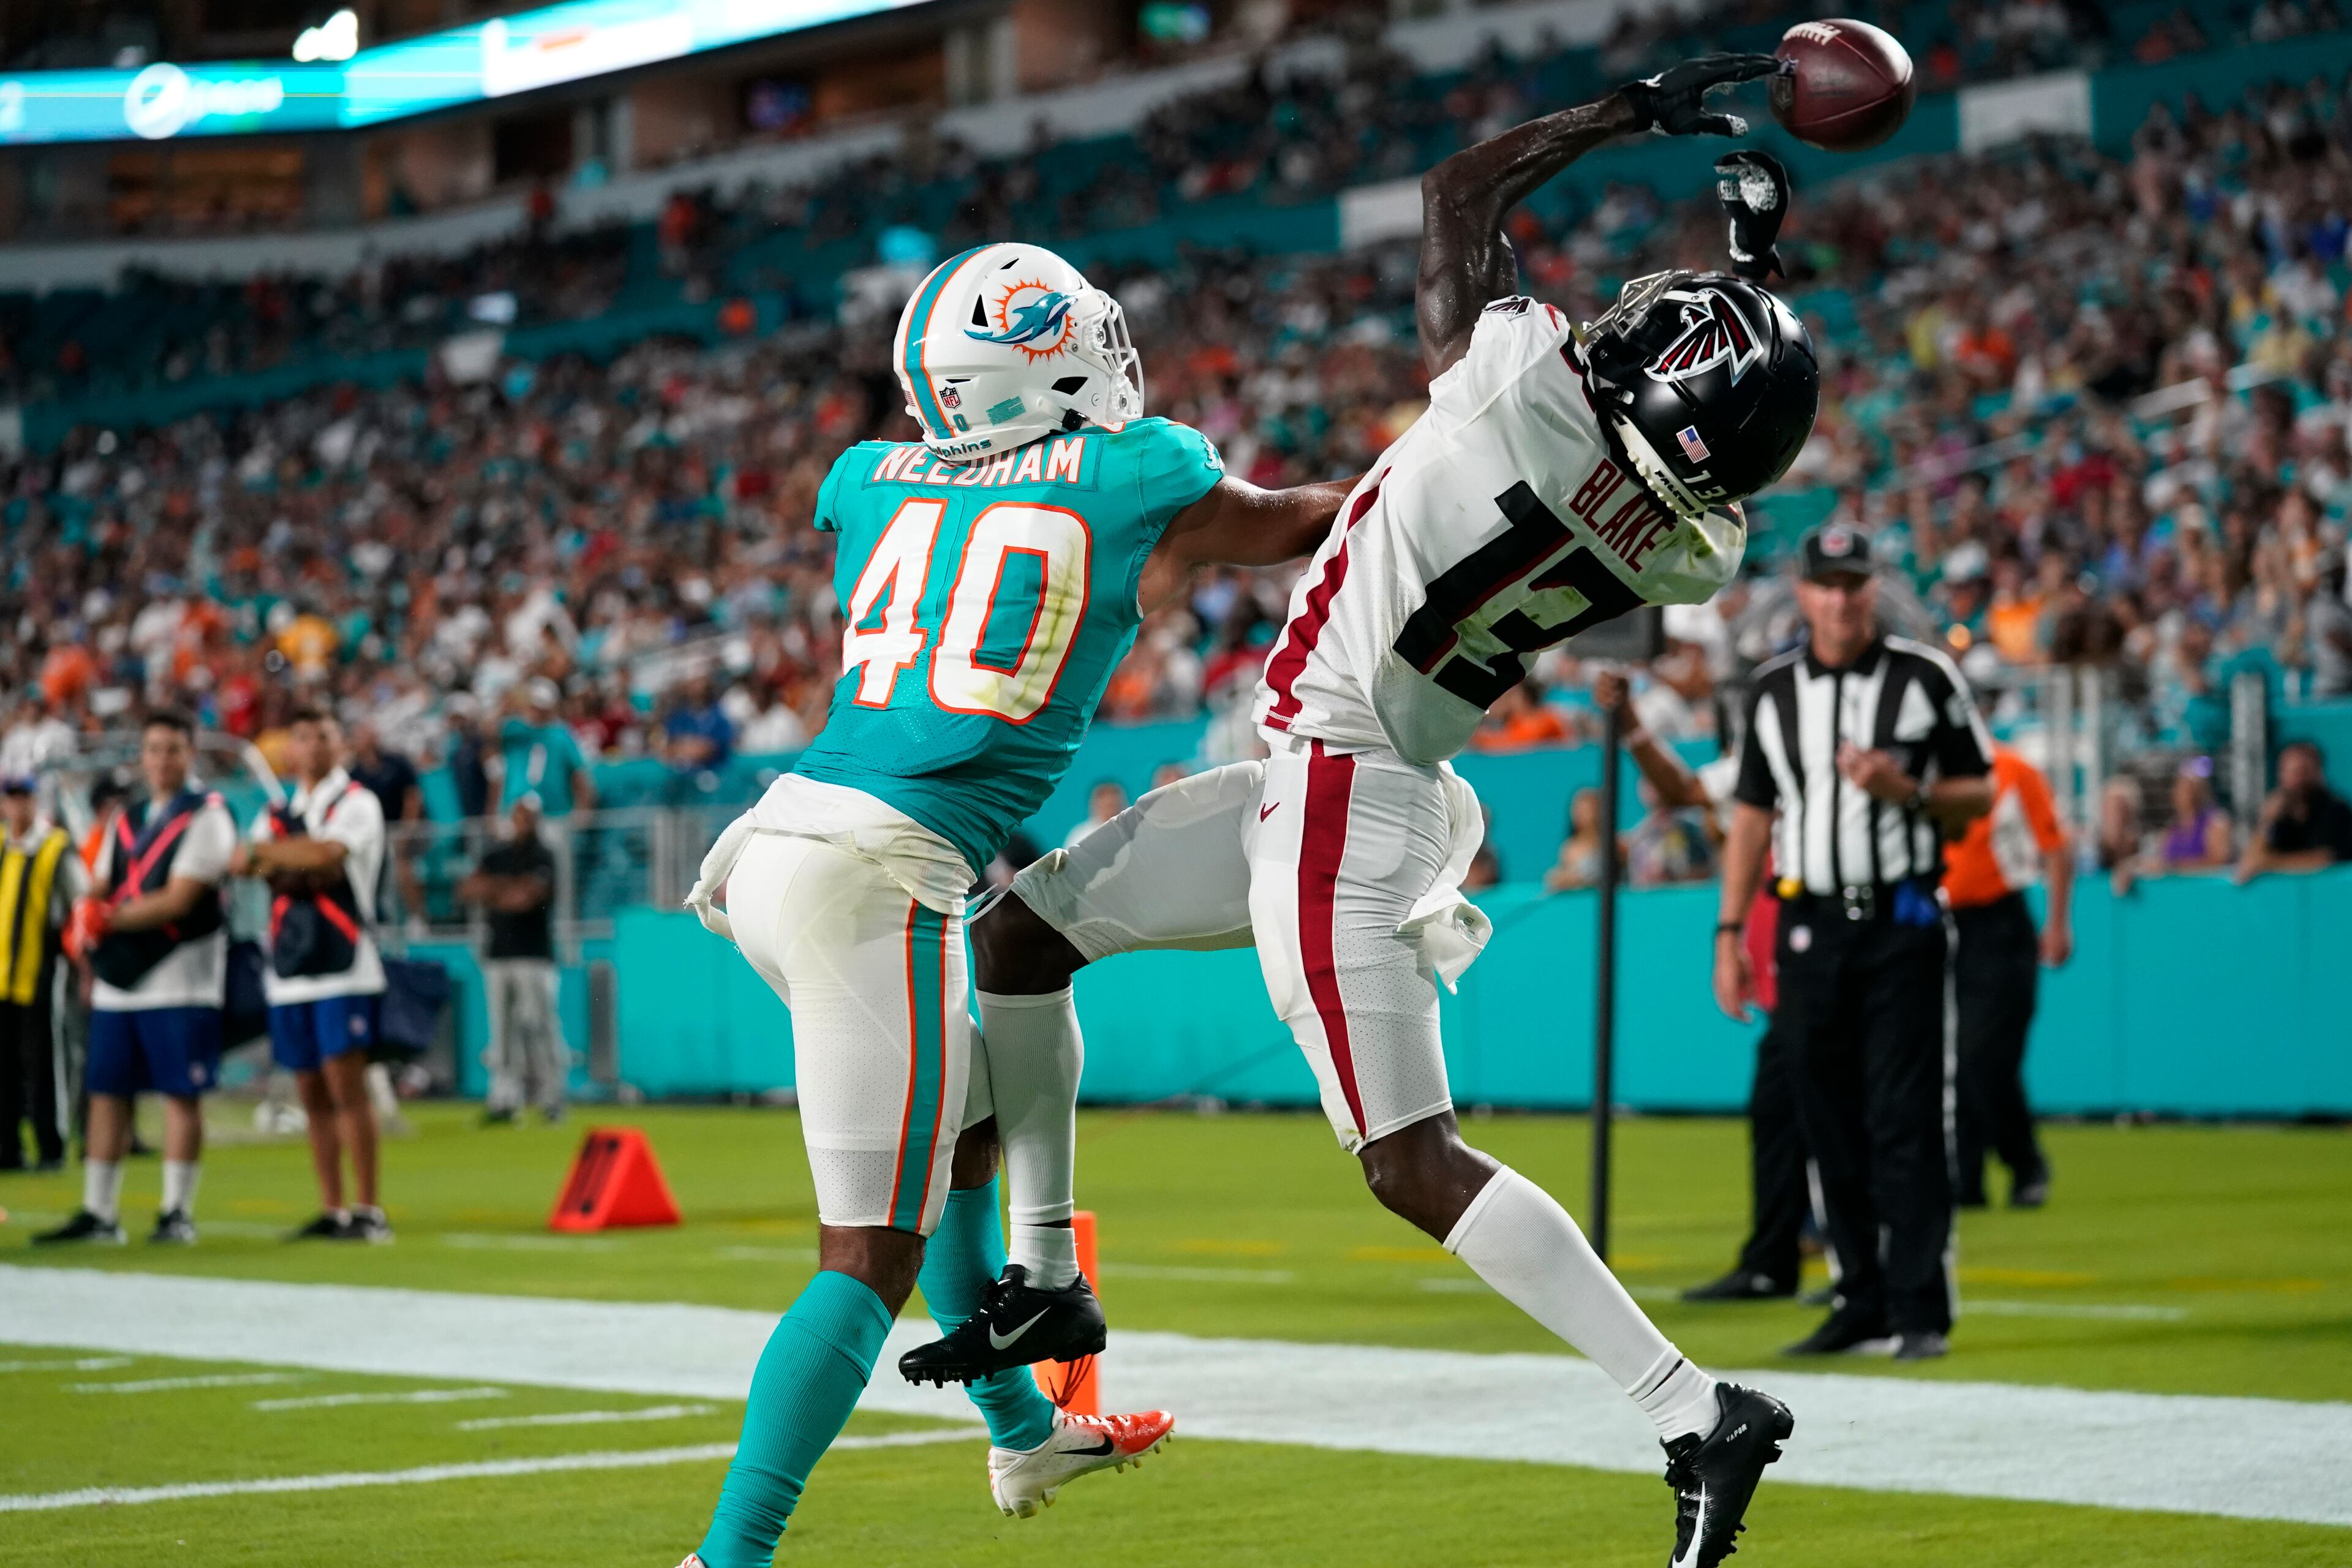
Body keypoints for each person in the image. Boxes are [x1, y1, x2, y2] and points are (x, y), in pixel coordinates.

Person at [916, 60, 1815, 1568]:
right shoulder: (1692, 547)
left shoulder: (1520, 385)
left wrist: (1633, 110)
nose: (1613, 327)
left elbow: (1460, 192)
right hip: (1336, 772)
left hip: (1343, 785)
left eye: (1642, 331)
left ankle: (1690, 1410)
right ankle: (1048, 1273)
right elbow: (1702, 422)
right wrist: (1748, 284)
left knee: (1408, 1156)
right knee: (1018, 938)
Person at [671, 235, 1357, 1567]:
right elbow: (1299, 522)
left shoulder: (868, 475)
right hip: (880, 870)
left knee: (964, 1128)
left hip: (776, 847)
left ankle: (1016, 1419)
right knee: (865, 1252)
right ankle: (729, 1557)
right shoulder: (1140, 466)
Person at [1714, 526, 1995, 1360]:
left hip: (1901, 919)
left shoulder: (1924, 677)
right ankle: (1858, 1297)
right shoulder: (1770, 693)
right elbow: (1752, 817)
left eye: (1854, 584)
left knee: (1904, 1118)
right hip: (1805, 925)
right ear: (1802, 594)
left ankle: (1918, 1307)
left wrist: (1903, 788)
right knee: (1824, 1120)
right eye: (1826, 585)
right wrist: (1729, 932)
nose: (1840, 599)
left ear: (1874, 589)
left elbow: (1978, 794)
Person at [40, 711, 238, 1245]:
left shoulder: (209, 817)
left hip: (182, 975)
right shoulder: (126, 819)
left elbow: (181, 898)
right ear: (142, 756)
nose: (162, 760)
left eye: (173, 749)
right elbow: (101, 882)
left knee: (180, 1094)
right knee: (106, 1090)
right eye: (153, 749)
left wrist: (103, 918)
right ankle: (99, 1211)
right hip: (120, 979)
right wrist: (86, 912)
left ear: (190, 754)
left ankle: (177, 1210)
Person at [236, 709, 393, 1242]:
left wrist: (277, 858)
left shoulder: (358, 802)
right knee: (309, 1092)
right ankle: (332, 1207)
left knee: (348, 1088)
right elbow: (244, 862)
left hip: (344, 966)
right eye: (303, 737)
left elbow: (327, 855)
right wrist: (295, 858)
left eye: (324, 735)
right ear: (291, 749)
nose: (315, 746)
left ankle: (368, 1207)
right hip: (290, 970)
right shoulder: (280, 810)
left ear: (340, 743)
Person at [1942, 742, 2071, 1210]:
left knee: (1984, 1055)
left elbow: (2055, 846)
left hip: (1997, 923)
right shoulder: (1923, 769)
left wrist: (2057, 923)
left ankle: (2023, 1160)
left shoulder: (2013, 769)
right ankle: (1966, 1177)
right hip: (1938, 923)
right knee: (1954, 1059)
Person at [459, 796, 567, 1124]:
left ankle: (552, 1098)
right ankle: (505, 1099)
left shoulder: (542, 855)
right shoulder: (497, 853)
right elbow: (467, 889)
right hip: (499, 954)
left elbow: (524, 898)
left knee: (540, 1027)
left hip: (534, 956)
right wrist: (506, 889)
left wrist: (494, 890)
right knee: (502, 1033)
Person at [0, 774, 87, 1172]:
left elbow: (80, 906)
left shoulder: (55, 846)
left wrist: (83, 966)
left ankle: (51, 1143)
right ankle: (8, 1146)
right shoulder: (2, 845)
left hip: (41, 970)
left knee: (45, 1060)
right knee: (5, 1064)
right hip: (1, 975)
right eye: (10, 798)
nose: (16, 806)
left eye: (23, 797)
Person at [2236, 739, 2352, 880]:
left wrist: (2266, 862)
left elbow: (2324, 859)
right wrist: (2267, 821)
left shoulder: (2336, 811)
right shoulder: (2280, 816)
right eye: (2292, 772)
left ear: (2318, 772)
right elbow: (2248, 864)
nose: (2298, 780)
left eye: (2304, 771)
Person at [346, 720, 424, 922]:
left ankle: (417, 918)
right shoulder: (353, 772)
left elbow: (412, 797)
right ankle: (370, 918)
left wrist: (407, 828)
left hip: (400, 828)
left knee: (403, 867)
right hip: (372, 833)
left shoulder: (397, 763)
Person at [497, 678, 595, 820]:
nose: (535, 712)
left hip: (554, 814)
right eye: (533, 706)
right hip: (515, 813)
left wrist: (583, 810)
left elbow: (579, 772)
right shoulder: (514, 729)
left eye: (540, 708)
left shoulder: (561, 734)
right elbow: (488, 735)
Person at [1543, 786, 1610, 891]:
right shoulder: (1568, 847)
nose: (1580, 814)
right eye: (1577, 809)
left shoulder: (1612, 845)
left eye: (1587, 809)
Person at [1063, 779, 1129, 849]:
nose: (1110, 810)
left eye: (1113, 805)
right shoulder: (1080, 836)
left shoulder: (1134, 832)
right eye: (1106, 806)